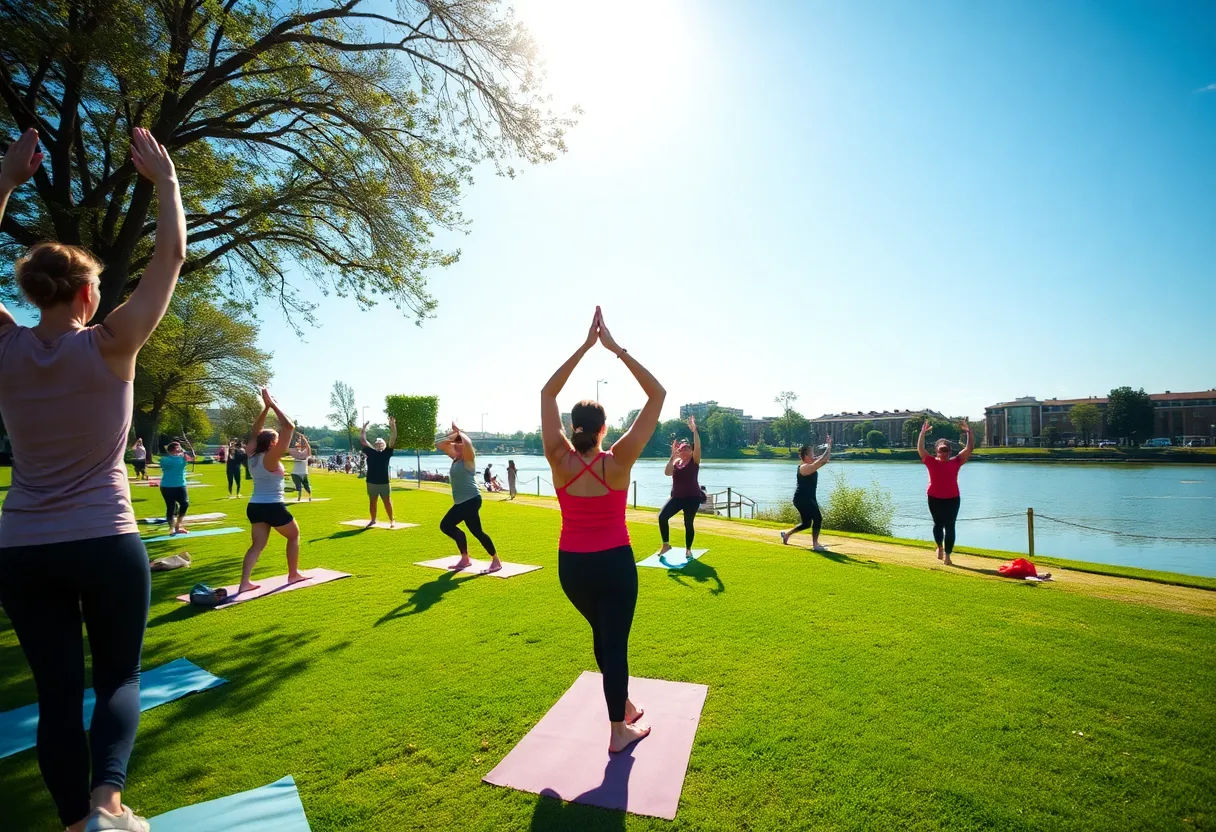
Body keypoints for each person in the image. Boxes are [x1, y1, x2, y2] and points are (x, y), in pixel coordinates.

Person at [0, 127, 184, 832]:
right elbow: (170, 255)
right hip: (105, 539)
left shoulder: (7, 346)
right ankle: (108, 804)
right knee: (118, 678)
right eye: (100, 286)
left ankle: (76, 824)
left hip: (22, 548)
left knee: (55, 695)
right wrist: (164, 186)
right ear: (85, 293)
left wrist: (6, 179)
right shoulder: (113, 342)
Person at [541, 307, 664, 753]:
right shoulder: (618, 460)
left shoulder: (557, 457)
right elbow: (657, 395)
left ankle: (625, 706)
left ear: (573, 428)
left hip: (572, 569)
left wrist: (582, 348)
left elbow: (546, 391)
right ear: (603, 428)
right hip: (614, 564)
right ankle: (618, 731)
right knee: (615, 643)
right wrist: (614, 350)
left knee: (603, 636)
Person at [237, 389, 306, 593]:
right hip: (272, 506)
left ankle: (244, 583)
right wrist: (274, 405)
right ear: (273, 443)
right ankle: (293, 574)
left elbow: (254, 431)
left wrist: (265, 408)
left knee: (257, 546)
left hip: (255, 507)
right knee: (294, 536)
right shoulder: (270, 457)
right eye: (277, 440)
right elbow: (289, 426)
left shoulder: (252, 454)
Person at [436, 425, 502, 573]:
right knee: (452, 527)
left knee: (453, 526)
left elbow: (468, 443)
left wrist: (460, 433)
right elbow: (439, 444)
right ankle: (465, 558)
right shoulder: (455, 459)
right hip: (462, 502)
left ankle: (495, 561)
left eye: (460, 443)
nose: (457, 445)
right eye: (456, 444)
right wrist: (452, 438)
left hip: (471, 500)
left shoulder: (469, 460)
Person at [918, 419, 974, 566]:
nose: (943, 453)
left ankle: (948, 555)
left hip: (952, 498)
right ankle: (940, 547)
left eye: (946, 450)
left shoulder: (956, 461)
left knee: (950, 526)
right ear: (937, 451)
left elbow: (969, 449)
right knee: (938, 524)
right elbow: (921, 449)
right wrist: (922, 433)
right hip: (934, 497)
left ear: (950, 451)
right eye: (941, 450)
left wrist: (968, 432)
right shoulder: (931, 462)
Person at [658, 416, 703, 560]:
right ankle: (666, 544)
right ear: (679, 451)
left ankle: (688, 549)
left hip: (692, 497)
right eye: (683, 448)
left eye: (688, 448)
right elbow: (667, 473)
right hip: (676, 497)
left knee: (688, 524)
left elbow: (698, 447)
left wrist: (694, 431)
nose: (686, 449)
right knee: (662, 517)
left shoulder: (694, 462)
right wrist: (672, 456)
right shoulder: (676, 462)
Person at [779, 436, 833, 550]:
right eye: (812, 454)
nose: (814, 455)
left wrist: (829, 446)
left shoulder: (811, 466)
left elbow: (825, 459)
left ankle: (786, 534)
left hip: (807, 498)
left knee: (807, 524)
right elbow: (822, 460)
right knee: (818, 518)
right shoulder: (804, 467)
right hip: (803, 498)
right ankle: (816, 545)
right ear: (806, 456)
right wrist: (827, 447)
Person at [361, 418, 397, 527]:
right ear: (374, 445)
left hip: (384, 482)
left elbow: (393, 438)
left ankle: (392, 520)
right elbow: (363, 440)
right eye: (377, 443)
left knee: (387, 502)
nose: (379, 445)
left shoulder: (387, 453)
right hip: (371, 482)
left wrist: (393, 426)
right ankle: (373, 520)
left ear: (384, 445)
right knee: (372, 502)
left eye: (381, 443)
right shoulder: (370, 452)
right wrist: (363, 428)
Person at [158, 439, 193, 535]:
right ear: (173, 450)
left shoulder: (180, 458)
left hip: (180, 485)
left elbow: (192, 458)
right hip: (167, 486)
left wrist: (183, 452)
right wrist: (183, 453)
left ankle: (178, 526)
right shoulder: (169, 460)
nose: (180, 449)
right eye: (178, 447)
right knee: (171, 507)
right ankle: (172, 528)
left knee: (185, 504)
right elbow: (190, 458)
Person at [289, 433, 313, 502]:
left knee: (302, 487)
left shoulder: (301, 452)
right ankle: (304, 498)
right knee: (304, 486)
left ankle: (301, 498)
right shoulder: (297, 452)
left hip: (297, 473)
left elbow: (308, 447)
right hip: (301, 472)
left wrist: (303, 439)